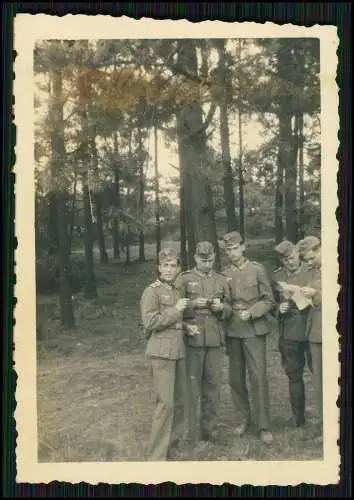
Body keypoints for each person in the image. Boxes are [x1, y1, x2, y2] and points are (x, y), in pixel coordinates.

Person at [174, 241, 232, 449]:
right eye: (202, 259)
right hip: (193, 339)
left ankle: (210, 430)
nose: (206, 263)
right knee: (191, 388)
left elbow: (230, 309)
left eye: (209, 259)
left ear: (214, 257)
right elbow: (173, 307)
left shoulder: (221, 280)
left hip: (214, 339)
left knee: (213, 386)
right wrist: (191, 304)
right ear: (195, 258)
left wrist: (221, 307)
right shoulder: (184, 279)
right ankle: (189, 434)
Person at [221, 231, 276, 445]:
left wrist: (252, 312)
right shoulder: (224, 274)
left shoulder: (257, 269)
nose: (233, 253)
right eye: (229, 250)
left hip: (254, 329)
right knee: (235, 378)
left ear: (243, 247)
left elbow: (269, 300)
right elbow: (223, 301)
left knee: (258, 376)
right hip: (233, 330)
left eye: (236, 248)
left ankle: (264, 425)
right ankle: (244, 418)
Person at [140, 248, 190, 461]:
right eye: (165, 265)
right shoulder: (152, 291)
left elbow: (173, 322)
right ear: (159, 267)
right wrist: (176, 310)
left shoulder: (176, 291)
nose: (169, 269)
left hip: (177, 351)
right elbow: (150, 322)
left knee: (179, 401)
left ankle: (173, 445)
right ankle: (156, 456)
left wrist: (186, 328)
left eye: (173, 265)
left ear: (178, 268)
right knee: (165, 404)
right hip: (161, 354)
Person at [272, 240, 313, 428]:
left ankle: (328, 416)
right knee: (294, 375)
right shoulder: (277, 276)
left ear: (298, 252)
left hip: (312, 328)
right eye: (286, 260)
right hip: (289, 331)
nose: (290, 262)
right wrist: (278, 309)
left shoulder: (312, 270)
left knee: (319, 373)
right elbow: (270, 303)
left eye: (293, 257)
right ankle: (298, 419)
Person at [297, 235, 323, 440]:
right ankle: (326, 424)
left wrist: (315, 293)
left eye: (310, 257)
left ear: (319, 248)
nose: (308, 262)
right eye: (305, 259)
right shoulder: (314, 270)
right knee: (319, 380)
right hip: (315, 331)